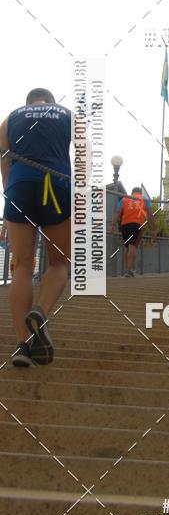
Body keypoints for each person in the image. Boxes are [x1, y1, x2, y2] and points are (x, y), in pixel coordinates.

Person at [0, 89, 71, 367]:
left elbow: (3, 158)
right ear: (51, 102)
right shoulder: (67, 115)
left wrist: (10, 192)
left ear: (29, 103)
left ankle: (22, 345)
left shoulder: (12, 117)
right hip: (57, 184)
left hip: (20, 185)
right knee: (59, 263)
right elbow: (84, 156)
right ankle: (40, 311)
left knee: (22, 265)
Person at [111, 187, 157, 276]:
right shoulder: (144, 199)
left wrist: (113, 224)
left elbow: (118, 211)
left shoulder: (124, 198)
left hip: (124, 225)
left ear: (132, 192)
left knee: (127, 247)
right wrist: (153, 229)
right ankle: (128, 271)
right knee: (132, 247)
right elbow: (150, 215)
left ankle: (129, 269)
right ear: (140, 193)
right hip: (136, 224)